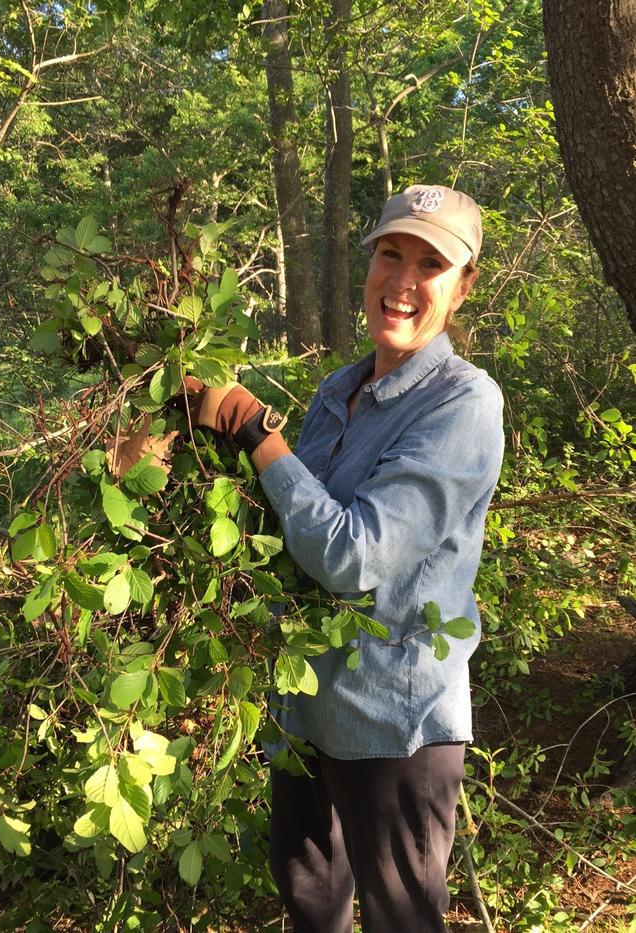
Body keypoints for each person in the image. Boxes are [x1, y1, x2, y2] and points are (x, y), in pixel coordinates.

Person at [185, 184, 505, 932]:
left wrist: (251, 425)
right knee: (310, 904)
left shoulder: (463, 405)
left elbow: (352, 556)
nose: (401, 281)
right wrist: (194, 441)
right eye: (389, 254)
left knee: (402, 919)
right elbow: (288, 525)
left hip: (397, 723)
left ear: (462, 288)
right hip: (308, 708)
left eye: (429, 264)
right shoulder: (338, 390)